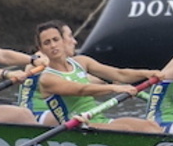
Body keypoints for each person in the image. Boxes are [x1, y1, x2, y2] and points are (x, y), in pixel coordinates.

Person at [24, 21, 163, 133]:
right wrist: (114, 88)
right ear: (41, 49)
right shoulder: (47, 78)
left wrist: (146, 73)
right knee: (126, 130)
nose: (53, 45)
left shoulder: (82, 62)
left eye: (55, 40)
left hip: (100, 121)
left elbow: (119, 74)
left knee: (151, 127)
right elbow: (81, 89)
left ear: (62, 41)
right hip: (78, 127)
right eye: (47, 43)